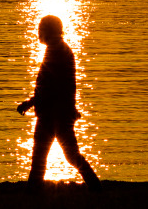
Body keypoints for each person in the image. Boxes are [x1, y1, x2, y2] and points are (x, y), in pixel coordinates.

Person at [17, 15, 101, 190]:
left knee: (43, 156)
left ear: (47, 31)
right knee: (63, 155)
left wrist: (29, 103)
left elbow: (48, 87)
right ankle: (95, 186)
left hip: (54, 114)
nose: (38, 32)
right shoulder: (60, 49)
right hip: (59, 112)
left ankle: (34, 192)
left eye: (41, 29)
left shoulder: (56, 51)